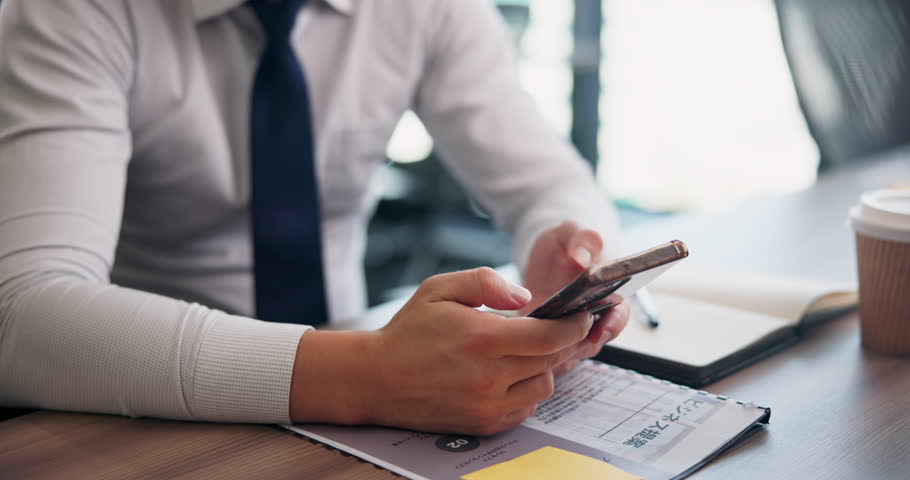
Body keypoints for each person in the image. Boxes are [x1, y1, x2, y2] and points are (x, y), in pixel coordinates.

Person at [0, 0, 629, 435]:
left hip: (364, 374)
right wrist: (369, 376)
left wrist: (566, 244)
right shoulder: (75, 13)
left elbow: (550, 182)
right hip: (141, 404)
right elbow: (21, 315)